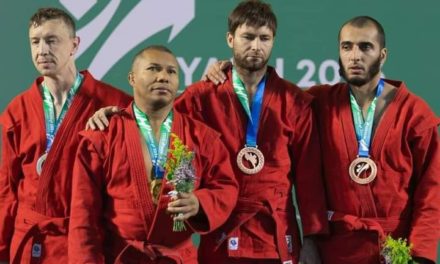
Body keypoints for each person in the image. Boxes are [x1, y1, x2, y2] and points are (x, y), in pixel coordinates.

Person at [87, 1, 328, 263]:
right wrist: (116, 116)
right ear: (230, 39)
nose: (256, 46)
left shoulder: (294, 101)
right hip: (222, 226)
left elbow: (309, 179)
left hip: (276, 230)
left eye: (264, 38)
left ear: (273, 41)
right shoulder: (202, 96)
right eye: (247, 37)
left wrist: (312, 239)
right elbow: (156, 118)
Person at [205, 16, 440, 264]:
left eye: (365, 47)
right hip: (334, 249)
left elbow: (431, 193)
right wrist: (228, 72)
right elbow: (266, 95)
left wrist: (421, 255)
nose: (355, 56)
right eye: (346, 47)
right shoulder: (318, 102)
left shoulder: (415, 115)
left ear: (382, 55)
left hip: (393, 248)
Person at [68, 45, 238, 263]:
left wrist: (200, 203)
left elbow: (226, 185)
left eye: (171, 72)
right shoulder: (103, 136)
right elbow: (84, 219)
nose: (163, 77)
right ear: (132, 78)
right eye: (153, 69)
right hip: (122, 257)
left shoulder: (200, 137)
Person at [0, 7, 131, 264]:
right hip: (30, 242)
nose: (42, 51)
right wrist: (2, 247)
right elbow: (7, 188)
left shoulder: (114, 104)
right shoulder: (18, 109)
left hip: (85, 241)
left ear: (74, 45)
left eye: (51, 40)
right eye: (35, 42)